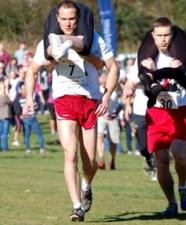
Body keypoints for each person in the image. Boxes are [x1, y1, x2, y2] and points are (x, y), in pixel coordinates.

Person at [24, 0, 119, 221]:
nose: (68, 23)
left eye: (72, 19)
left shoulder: (94, 38)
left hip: (90, 101)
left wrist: (106, 96)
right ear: (57, 19)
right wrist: (29, 98)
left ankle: (86, 184)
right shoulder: (49, 41)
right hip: (65, 100)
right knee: (70, 154)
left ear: (78, 19)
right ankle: (77, 206)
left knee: (90, 163)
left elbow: (112, 67)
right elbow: (32, 71)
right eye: (64, 19)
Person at [124, 17, 186, 216]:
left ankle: (183, 186)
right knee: (161, 160)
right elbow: (131, 81)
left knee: (179, 154)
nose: (163, 39)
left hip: (180, 112)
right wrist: (128, 92)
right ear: (153, 36)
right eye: (159, 35)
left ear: (172, 34)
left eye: (167, 35)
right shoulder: (145, 58)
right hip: (157, 114)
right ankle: (171, 203)